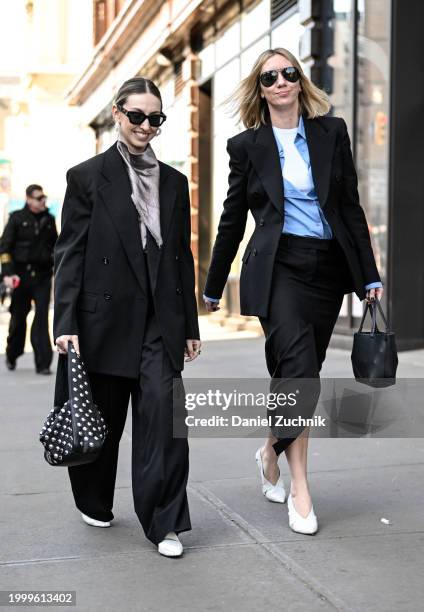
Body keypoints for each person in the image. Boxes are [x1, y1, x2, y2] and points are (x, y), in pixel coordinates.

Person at [203, 48, 383, 535]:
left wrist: (369, 274)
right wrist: (214, 285)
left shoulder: (331, 132)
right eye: (269, 77)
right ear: (260, 90)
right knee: (300, 372)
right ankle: (301, 487)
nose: (280, 82)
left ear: (299, 81)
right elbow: (232, 217)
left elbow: (349, 206)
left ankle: (269, 450)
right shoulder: (247, 146)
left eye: (288, 74)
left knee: (298, 375)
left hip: (327, 268)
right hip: (279, 267)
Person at [53, 77, 201, 557]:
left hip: (161, 321)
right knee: (105, 422)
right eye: (136, 115)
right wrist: (65, 323)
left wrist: (191, 326)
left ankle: (164, 523)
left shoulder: (175, 183)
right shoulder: (87, 177)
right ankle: (93, 499)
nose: (145, 126)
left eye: (155, 118)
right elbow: (70, 254)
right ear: (117, 113)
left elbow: (181, 257)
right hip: (103, 321)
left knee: (164, 421)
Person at [0, 185, 57, 374]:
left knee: (41, 318)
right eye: (39, 198)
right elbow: (5, 248)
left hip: (42, 276)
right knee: (18, 318)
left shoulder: (49, 220)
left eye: (44, 198)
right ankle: (12, 353)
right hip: (20, 276)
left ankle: (43, 363)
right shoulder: (17, 218)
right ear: (29, 199)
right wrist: (8, 273)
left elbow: (56, 247)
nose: (43, 201)